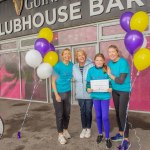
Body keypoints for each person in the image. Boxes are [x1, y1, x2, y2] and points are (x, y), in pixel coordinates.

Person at [86, 53, 112, 149]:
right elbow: (88, 82)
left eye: (101, 60)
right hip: (95, 97)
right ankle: (100, 134)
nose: (99, 62)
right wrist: (88, 89)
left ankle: (108, 137)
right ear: (94, 61)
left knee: (105, 117)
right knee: (98, 116)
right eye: (97, 60)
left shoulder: (107, 69)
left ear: (104, 61)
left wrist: (110, 88)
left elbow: (110, 81)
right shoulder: (91, 70)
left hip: (105, 97)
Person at [107, 45, 131, 150]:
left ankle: (126, 140)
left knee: (122, 113)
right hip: (115, 90)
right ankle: (121, 133)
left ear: (117, 52)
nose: (111, 53)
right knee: (117, 112)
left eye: (113, 51)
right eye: (109, 52)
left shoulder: (123, 62)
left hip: (124, 90)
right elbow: (108, 79)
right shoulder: (109, 63)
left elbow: (120, 80)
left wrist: (110, 74)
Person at [51, 48, 73, 145]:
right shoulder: (57, 66)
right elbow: (53, 81)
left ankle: (65, 130)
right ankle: (60, 135)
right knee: (59, 115)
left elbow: (72, 76)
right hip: (58, 92)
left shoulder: (72, 65)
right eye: (65, 54)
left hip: (67, 92)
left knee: (67, 114)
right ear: (62, 55)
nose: (67, 55)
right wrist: (56, 94)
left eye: (69, 54)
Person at [73, 49, 93, 138]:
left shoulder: (91, 65)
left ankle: (88, 129)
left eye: (82, 55)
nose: (81, 57)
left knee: (88, 111)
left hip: (89, 92)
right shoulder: (74, 67)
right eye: (79, 55)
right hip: (80, 93)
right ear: (76, 57)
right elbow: (71, 76)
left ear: (85, 55)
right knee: (82, 111)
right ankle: (83, 128)